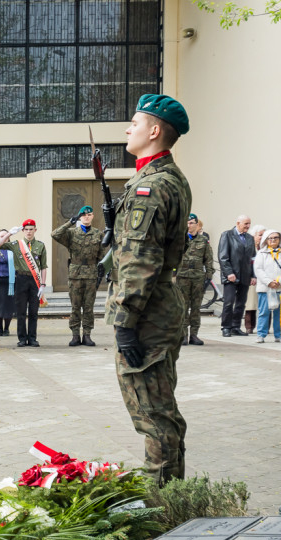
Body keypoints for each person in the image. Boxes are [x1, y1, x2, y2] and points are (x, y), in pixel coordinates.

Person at [107, 93, 192, 486]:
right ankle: (175, 497)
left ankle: (160, 513)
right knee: (163, 410)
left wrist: (125, 321)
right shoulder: (162, 178)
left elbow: (141, 259)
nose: (128, 128)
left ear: (155, 131)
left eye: (135, 123)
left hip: (147, 314)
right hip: (159, 308)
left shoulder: (151, 187)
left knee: (152, 416)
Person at [52, 207, 105, 347]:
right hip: (75, 274)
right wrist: (70, 222)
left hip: (91, 273)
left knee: (88, 307)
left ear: (93, 216)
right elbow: (55, 234)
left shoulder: (98, 234)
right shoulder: (71, 233)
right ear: (80, 217)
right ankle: (75, 335)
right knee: (75, 306)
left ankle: (87, 335)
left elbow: (102, 254)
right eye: (83, 215)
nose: (86, 217)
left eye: (89, 215)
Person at [0, 219, 48, 347]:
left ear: (35, 230)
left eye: (31, 229)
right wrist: (9, 234)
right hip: (20, 279)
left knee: (33, 311)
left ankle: (32, 338)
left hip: (34, 280)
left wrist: (43, 284)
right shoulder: (16, 244)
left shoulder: (40, 246)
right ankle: (22, 338)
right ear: (23, 231)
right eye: (26, 229)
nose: (29, 232)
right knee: (20, 311)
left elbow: (43, 266)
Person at [174, 214, 214, 345]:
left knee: (196, 307)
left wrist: (209, 275)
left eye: (191, 223)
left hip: (197, 278)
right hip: (182, 277)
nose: (189, 225)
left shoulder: (203, 241)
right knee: (183, 306)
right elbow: (173, 258)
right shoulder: (180, 240)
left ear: (197, 225)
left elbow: (208, 259)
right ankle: (183, 335)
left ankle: (194, 335)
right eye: (187, 223)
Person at [217, 215, 255, 337]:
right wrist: (229, 273)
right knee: (229, 302)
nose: (248, 226)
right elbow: (223, 257)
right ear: (238, 223)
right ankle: (226, 327)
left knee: (241, 303)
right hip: (231, 276)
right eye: (246, 224)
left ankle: (235, 326)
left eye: (249, 224)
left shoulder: (250, 238)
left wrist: (253, 275)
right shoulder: (227, 235)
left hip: (245, 275)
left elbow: (253, 259)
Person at [253, 229, 281, 343]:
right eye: (270, 238)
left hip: (279, 287)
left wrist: (279, 281)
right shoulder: (261, 253)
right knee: (264, 312)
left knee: (279, 313)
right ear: (266, 240)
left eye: (276, 238)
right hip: (265, 288)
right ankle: (261, 334)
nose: (273, 240)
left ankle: (278, 335)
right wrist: (269, 282)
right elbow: (258, 270)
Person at [246, 226, 266, 334]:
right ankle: (249, 326)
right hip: (252, 278)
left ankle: (265, 327)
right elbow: (247, 263)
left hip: (265, 279)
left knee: (266, 303)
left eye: (264, 234)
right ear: (254, 236)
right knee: (251, 303)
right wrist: (251, 276)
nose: (262, 237)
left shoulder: (266, 248)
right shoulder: (249, 247)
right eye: (260, 235)